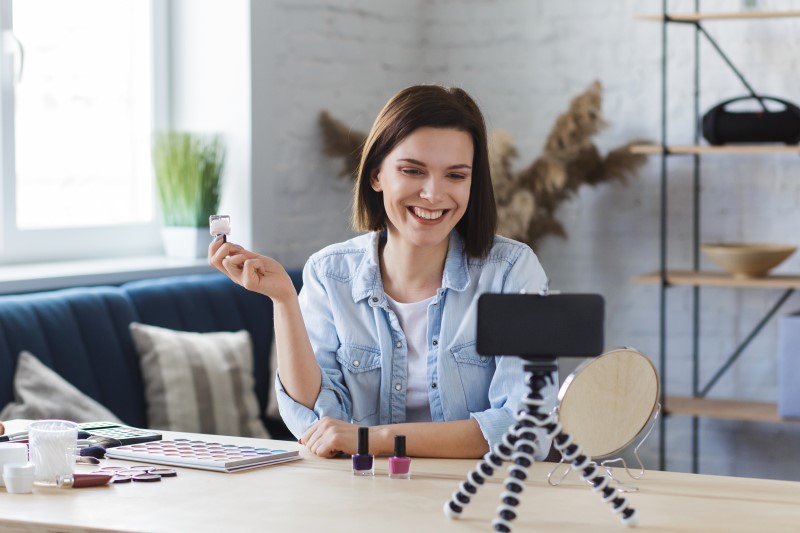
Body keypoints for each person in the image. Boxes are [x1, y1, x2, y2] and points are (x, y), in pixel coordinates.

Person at [209, 84, 554, 459]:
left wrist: (375, 439)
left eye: (455, 176)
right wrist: (283, 299)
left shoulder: (512, 273)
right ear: (376, 176)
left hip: (477, 500)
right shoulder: (329, 274)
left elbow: (527, 431)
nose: (434, 194)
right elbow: (316, 422)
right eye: (412, 170)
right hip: (363, 495)